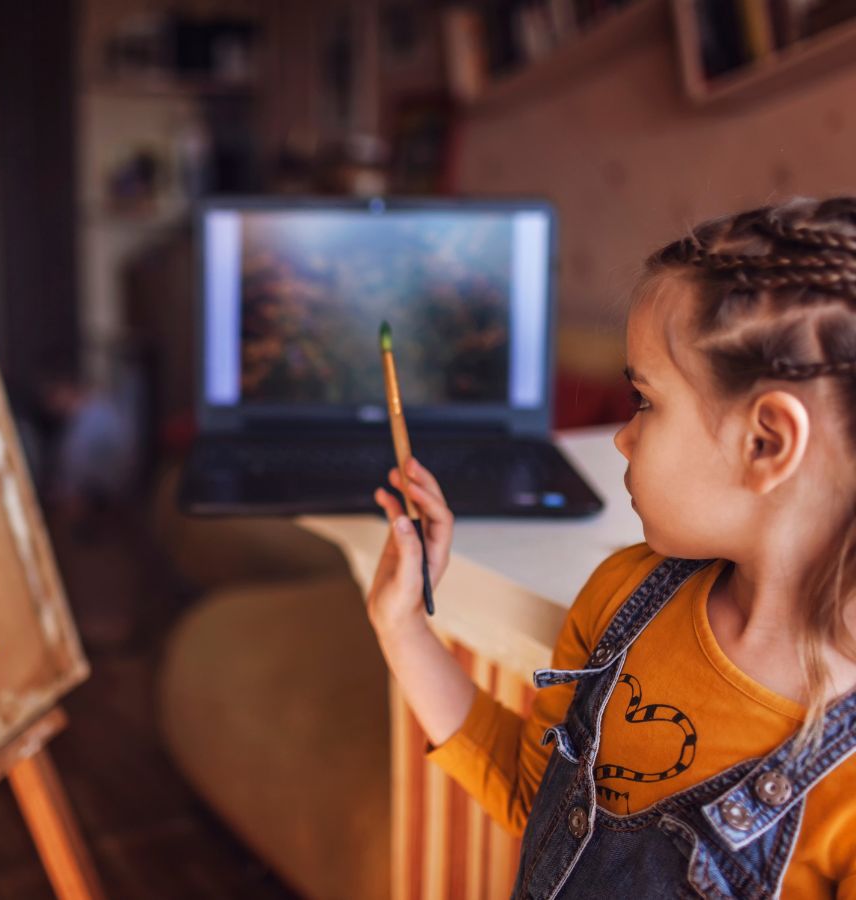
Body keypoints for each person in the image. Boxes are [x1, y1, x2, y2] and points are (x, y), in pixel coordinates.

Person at [366, 197, 856, 898]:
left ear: (766, 443)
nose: (623, 437)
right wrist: (403, 625)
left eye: (645, 402)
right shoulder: (623, 594)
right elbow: (531, 799)